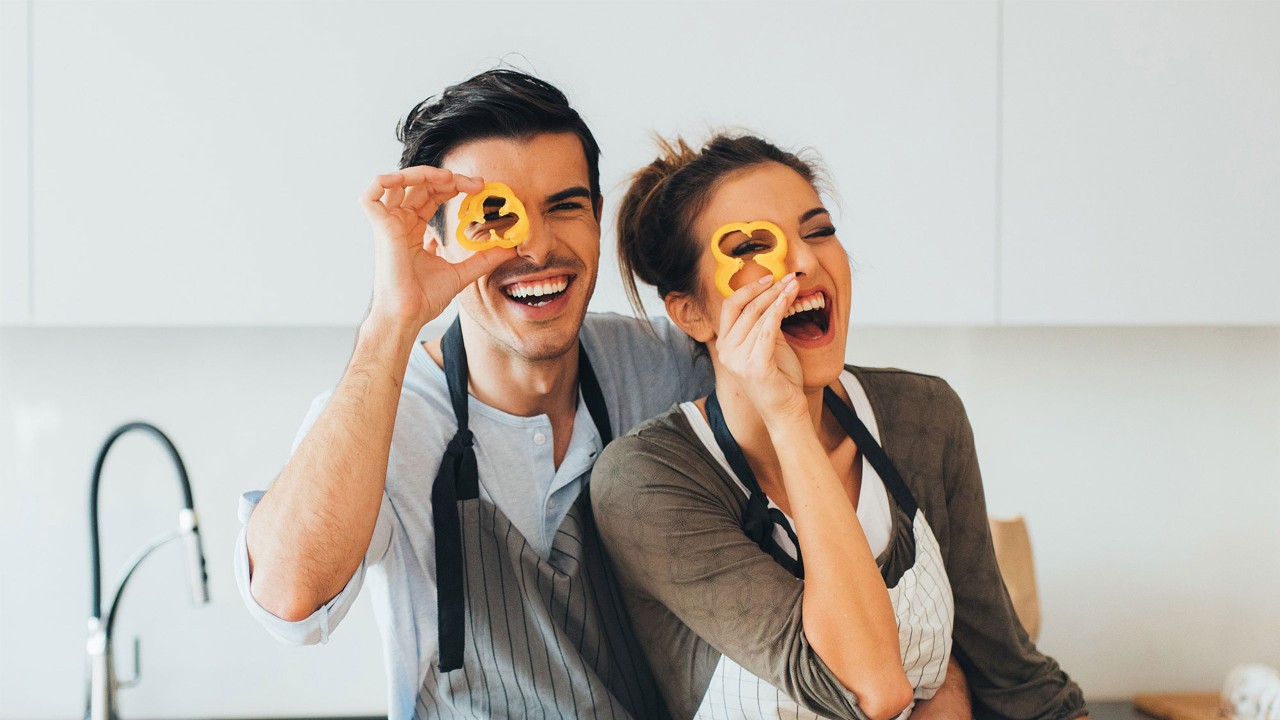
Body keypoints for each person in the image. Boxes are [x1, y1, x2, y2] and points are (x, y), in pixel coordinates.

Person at [231, 69, 719, 718]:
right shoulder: (382, 417)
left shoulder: (667, 368)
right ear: (433, 241)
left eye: (565, 206)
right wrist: (389, 323)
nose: (538, 247)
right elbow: (293, 604)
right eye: (495, 216)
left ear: (597, 217)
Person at [591, 135, 1090, 720]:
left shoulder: (922, 417)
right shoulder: (645, 482)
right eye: (752, 245)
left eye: (818, 230)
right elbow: (870, 689)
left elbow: (1011, 677)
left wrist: (956, 686)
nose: (803, 261)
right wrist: (787, 416)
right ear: (692, 312)